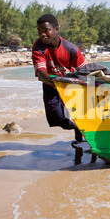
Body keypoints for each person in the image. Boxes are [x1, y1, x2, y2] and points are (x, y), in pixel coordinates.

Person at [32, 14, 88, 142]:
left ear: (56, 29)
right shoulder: (39, 48)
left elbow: (86, 70)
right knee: (56, 118)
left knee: (81, 115)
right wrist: (55, 81)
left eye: (46, 30)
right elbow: (41, 73)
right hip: (51, 85)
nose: (42, 35)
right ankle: (75, 127)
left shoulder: (71, 49)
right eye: (39, 31)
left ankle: (81, 142)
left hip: (71, 85)